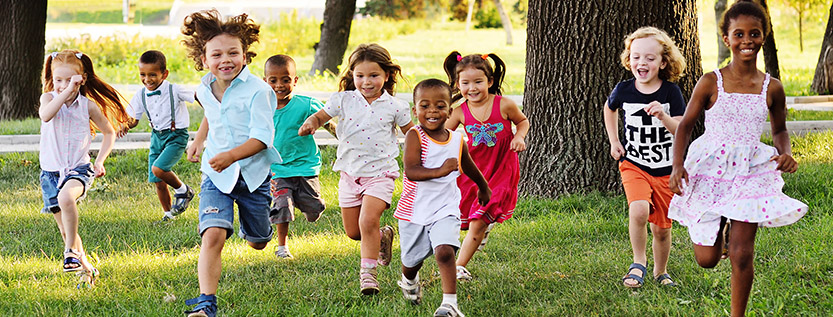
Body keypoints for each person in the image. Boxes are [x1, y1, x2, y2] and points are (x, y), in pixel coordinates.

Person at [668, 1, 807, 315]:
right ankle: (720, 225)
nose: (747, 40)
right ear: (727, 39)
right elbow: (686, 126)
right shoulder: (710, 82)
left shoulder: (772, 87)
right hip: (710, 167)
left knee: (743, 254)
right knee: (707, 259)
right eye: (739, 34)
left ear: (763, 37)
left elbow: (780, 129)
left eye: (754, 33)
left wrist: (785, 153)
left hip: (750, 170)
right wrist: (678, 165)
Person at [181, 10, 280, 317]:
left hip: (252, 176)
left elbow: (262, 138)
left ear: (245, 55)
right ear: (203, 58)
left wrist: (232, 156)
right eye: (217, 54)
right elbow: (214, 115)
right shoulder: (203, 88)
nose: (226, 59)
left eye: (233, 52)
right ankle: (206, 304)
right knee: (213, 235)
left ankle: (256, 229)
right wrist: (199, 140)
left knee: (260, 241)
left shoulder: (259, 91)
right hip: (216, 175)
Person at [299, 43, 413, 295]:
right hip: (350, 175)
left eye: (373, 75)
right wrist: (311, 123)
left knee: (367, 220)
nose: (366, 81)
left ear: (386, 75)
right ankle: (382, 236)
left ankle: (368, 277)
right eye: (360, 75)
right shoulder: (343, 100)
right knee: (354, 232)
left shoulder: (395, 106)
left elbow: (413, 134)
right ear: (352, 75)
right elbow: (321, 116)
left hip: (381, 174)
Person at [395, 79, 490, 317]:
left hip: (445, 208)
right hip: (414, 211)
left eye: (439, 106)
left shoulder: (457, 139)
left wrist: (483, 186)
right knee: (411, 261)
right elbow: (412, 171)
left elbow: (467, 165)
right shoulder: (415, 136)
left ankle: (450, 304)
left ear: (449, 110)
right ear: (415, 111)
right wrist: (441, 170)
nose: (432, 111)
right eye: (425, 106)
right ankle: (408, 279)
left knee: (445, 251)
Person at [602, 26, 687, 288]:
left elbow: (681, 129)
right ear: (629, 59)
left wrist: (663, 115)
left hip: (665, 169)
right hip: (634, 164)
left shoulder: (671, 93)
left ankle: (661, 272)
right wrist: (615, 141)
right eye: (636, 56)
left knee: (662, 229)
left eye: (650, 58)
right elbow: (609, 109)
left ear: (663, 62)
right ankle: (638, 262)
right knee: (638, 210)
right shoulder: (624, 89)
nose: (642, 62)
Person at [38, 49, 131, 285]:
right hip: (50, 173)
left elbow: (109, 132)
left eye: (69, 80)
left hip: (78, 169)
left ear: (82, 79)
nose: (63, 85)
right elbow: (46, 116)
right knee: (65, 229)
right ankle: (86, 268)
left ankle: (69, 252)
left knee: (67, 199)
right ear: (52, 78)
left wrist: (99, 161)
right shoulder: (48, 99)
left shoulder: (87, 106)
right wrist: (66, 90)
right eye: (58, 80)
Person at [442, 51, 529, 281]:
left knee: (478, 220)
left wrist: (518, 137)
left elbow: (522, 121)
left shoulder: (504, 105)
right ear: (458, 84)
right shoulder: (460, 111)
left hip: (501, 169)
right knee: (469, 216)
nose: (472, 88)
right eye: (465, 83)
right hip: (473, 170)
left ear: (490, 81)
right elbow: (443, 135)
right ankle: (481, 229)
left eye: (478, 82)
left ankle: (458, 266)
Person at [263, 54, 336, 259]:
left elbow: (327, 121)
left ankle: (306, 204)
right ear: (265, 81)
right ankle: (282, 247)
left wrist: (343, 138)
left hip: (305, 166)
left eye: (286, 80)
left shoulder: (306, 104)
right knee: (281, 205)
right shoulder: (261, 108)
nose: (280, 85)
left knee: (314, 211)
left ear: (295, 81)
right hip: (278, 169)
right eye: (273, 80)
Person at [119, 50, 196, 221]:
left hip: (176, 136)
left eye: (152, 74)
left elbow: (196, 96)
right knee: (158, 181)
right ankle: (168, 214)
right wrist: (125, 125)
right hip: (156, 137)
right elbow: (133, 119)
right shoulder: (140, 94)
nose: (147, 79)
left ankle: (184, 190)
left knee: (159, 169)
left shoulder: (174, 90)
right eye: (143, 74)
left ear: (164, 74)